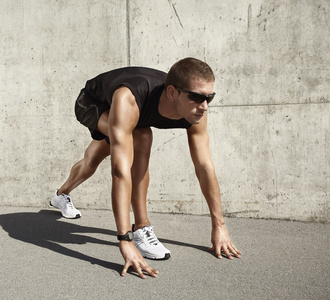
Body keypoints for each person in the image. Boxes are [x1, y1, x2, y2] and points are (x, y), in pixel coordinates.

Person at [49, 57, 242, 279]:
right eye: (197, 97)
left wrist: (219, 225)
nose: (204, 105)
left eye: (209, 97)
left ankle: (61, 194)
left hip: (128, 114)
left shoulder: (196, 112)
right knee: (141, 135)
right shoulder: (129, 98)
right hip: (91, 103)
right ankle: (141, 228)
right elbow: (120, 172)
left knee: (91, 161)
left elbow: (204, 167)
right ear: (172, 93)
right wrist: (125, 240)